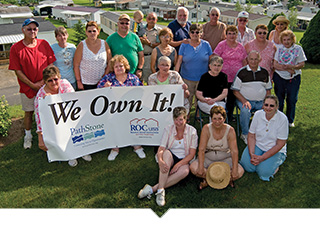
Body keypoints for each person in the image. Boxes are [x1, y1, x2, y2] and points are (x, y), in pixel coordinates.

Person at [9, 18, 56, 150]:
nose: (32, 31)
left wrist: (43, 82)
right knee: (29, 112)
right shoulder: (16, 48)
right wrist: (31, 84)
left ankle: (49, 135)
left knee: (48, 111)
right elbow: (17, 71)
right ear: (23, 30)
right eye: (29, 28)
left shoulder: (44, 44)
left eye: (35, 28)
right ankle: (28, 135)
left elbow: (50, 64)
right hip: (27, 88)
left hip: (45, 86)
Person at [138, 106, 198, 206]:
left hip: (185, 158)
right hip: (171, 154)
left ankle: (152, 189)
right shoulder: (168, 129)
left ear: (186, 118)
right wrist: (161, 161)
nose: (178, 123)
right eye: (176, 120)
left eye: (181, 119)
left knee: (185, 171)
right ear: (173, 119)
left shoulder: (192, 131)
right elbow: (161, 149)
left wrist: (177, 165)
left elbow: (191, 154)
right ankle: (161, 191)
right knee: (165, 155)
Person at [34, 65, 92, 166]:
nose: (53, 82)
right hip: (54, 121)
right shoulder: (40, 96)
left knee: (77, 130)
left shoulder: (65, 84)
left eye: (55, 79)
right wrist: (40, 136)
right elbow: (39, 117)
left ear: (59, 78)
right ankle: (70, 155)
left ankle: (82, 150)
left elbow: (72, 101)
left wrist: (53, 99)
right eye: (50, 81)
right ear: (44, 82)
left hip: (70, 114)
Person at [97, 55, 145, 160]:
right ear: (113, 68)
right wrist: (105, 88)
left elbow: (141, 91)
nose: (119, 68)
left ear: (125, 67)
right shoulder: (108, 78)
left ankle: (136, 145)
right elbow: (98, 90)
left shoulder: (132, 78)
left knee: (134, 120)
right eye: (116, 66)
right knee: (112, 121)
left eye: (121, 66)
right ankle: (115, 148)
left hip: (131, 108)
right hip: (113, 109)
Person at [190, 106, 244, 190]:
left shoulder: (230, 130)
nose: (217, 122)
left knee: (240, 171)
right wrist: (200, 167)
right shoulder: (206, 128)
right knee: (193, 167)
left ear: (224, 119)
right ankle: (223, 179)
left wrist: (235, 170)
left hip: (225, 158)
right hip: (208, 158)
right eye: (214, 119)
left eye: (220, 119)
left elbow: (234, 151)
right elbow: (201, 150)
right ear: (211, 118)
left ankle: (208, 180)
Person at [240, 95, 289, 181]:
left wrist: (263, 157)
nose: (268, 108)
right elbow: (251, 136)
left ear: (277, 107)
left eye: (272, 106)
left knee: (263, 172)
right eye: (266, 105)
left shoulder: (283, 119)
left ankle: (274, 164)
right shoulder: (258, 114)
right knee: (247, 166)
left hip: (274, 148)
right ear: (263, 105)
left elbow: (280, 144)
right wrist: (252, 154)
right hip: (258, 145)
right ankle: (265, 163)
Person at [231, 50, 272, 144]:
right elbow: (235, 91)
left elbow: (268, 90)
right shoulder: (242, 72)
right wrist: (244, 101)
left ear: (259, 60)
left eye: (256, 59)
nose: (253, 61)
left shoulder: (264, 72)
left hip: (261, 101)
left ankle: (262, 133)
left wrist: (266, 103)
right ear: (247, 60)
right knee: (245, 110)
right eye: (251, 59)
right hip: (245, 100)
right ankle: (245, 133)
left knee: (268, 109)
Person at [175, 23, 212, 116]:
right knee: (187, 99)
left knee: (200, 99)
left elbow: (211, 60)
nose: (195, 34)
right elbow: (179, 61)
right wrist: (176, 74)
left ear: (201, 33)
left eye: (197, 32)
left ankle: (197, 115)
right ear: (189, 33)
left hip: (202, 78)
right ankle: (186, 116)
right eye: (192, 32)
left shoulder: (206, 45)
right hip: (187, 78)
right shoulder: (184, 45)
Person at [273, 30, 306, 127]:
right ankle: (279, 119)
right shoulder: (279, 49)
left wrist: (292, 68)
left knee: (292, 99)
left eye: (288, 39)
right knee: (279, 99)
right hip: (279, 77)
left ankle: (290, 120)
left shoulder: (298, 49)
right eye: (284, 40)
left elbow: (302, 64)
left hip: (294, 77)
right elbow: (275, 64)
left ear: (292, 40)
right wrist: (288, 69)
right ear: (281, 40)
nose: (286, 42)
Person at [214, 25, 247, 121]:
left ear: (237, 35)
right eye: (229, 34)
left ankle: (229, 116)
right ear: (226, 34)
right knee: (222, 97)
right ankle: (219, 115)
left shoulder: (240, 47)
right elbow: (215, 57)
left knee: (232, 98)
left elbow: (244, 61)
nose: (232, 36)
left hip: (236, 78)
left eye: (234, 34)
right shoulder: (221, 45)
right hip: (223, 77)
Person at [74, 21, 111, 90]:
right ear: (86, 32)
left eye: (94, 31)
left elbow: (109, 63)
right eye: (89, 31)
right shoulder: (82, 45)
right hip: (86, 83)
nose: (92, 33)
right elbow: (76, 65)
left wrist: (104, 77)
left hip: (101, 82)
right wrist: (78, 81)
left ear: (98, 31)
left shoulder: (104, 44)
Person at [107, 14, 144, 79]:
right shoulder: (110, 39)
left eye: (126, 23)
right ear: (118, 24)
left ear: (129, 25)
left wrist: (140, 69)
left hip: (134, 74)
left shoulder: (135, 37)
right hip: (117, 75)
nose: (124, 25)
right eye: (122, 23)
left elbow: (141, 55)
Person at [139, 12, 161, 82]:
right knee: (140, 78)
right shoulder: (141, 29)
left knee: (150, 80)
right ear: (146, 19)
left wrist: (149, 44)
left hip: (151, 57)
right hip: (140, 57)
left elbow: (160, 44)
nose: (151, 20)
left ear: (156, 20)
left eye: (153, 19)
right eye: (149, 18)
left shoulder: (158, 31)